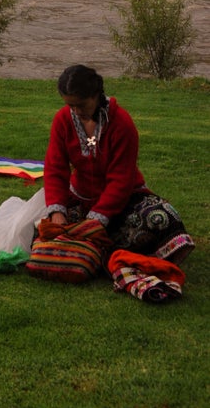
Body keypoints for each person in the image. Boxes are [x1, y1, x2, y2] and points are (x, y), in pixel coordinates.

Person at [43, 64, 194, 263]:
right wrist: (57, 212)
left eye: (81, 104)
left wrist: (98, 218)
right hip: (80, 198)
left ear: (96, 95)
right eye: (71, 106)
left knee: (163, 217)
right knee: (45, 226)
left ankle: (97, 246)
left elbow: (121, 178)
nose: (76, 111)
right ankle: (100, 246)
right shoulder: (62, 120)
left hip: (124, 199)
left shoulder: (121, 123)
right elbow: (55, 168)